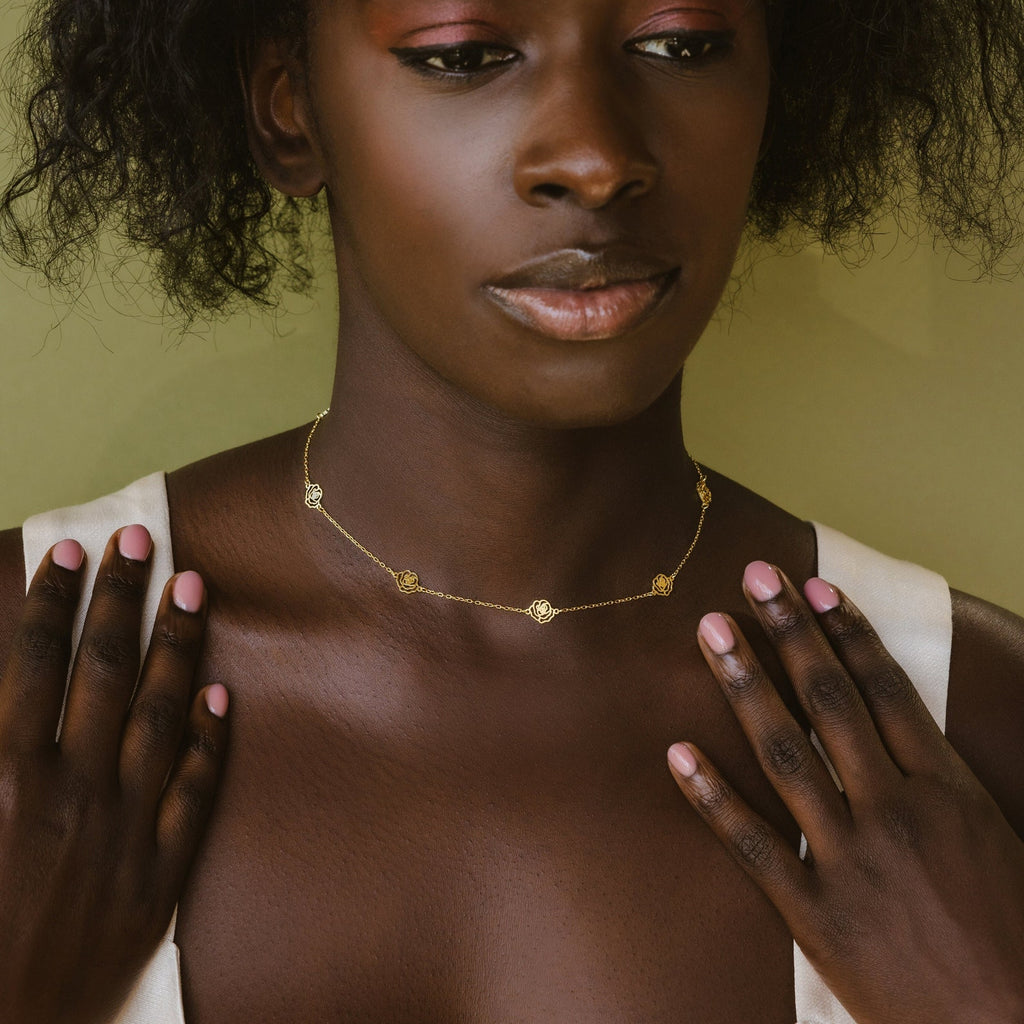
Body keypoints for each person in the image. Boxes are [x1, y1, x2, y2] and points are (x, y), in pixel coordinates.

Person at [1, 0, 1023, 1021]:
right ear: (288, 111)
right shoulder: (18, 693)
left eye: (681, 46)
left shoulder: (973, 726)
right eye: (464, 57)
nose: (593, 158)